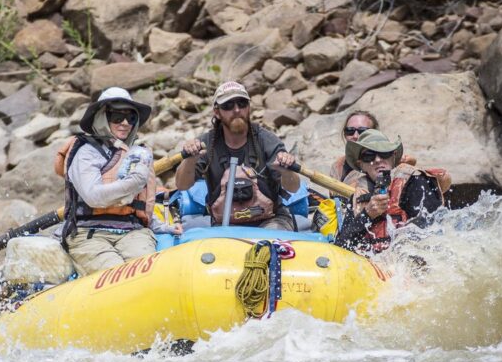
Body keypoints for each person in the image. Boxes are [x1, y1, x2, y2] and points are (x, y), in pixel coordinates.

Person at [54, 87, 169, 276]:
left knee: (147, 274)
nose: (125, 123)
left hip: (133, 232)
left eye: (130, 118)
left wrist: (163, 227)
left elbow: (141, 206)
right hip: (89, 235)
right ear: (101, 117)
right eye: (117, 116)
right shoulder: (85, 153)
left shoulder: (137, 153)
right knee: (120, 277)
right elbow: (93, 197)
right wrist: (133, 183)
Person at [175, 81, 301, 229]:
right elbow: (181, 185)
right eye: (228, 105)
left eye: (242, 104)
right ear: (217, 112)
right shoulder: (206, 144)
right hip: (224, 224)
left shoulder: (267, 141)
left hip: (271, 220)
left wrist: (286, 172)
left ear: (248, 108)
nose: (236, 110)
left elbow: (294, 188)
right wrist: (190, 160)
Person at [335, 129, 449, 253]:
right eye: (369, 156)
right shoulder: (357, 197)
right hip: (372, 265)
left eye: (384, 153)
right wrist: (367, 214)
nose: (378, 160)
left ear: (393, 157)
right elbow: (341, 247)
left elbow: (433, 236)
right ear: (361, 164)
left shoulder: (414, 181)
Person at [330, 109, 379, 183]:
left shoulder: (383, 163)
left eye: (363, 131)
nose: (355, 136)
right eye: (350, 131)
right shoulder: (337, 166)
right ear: (344, 134)